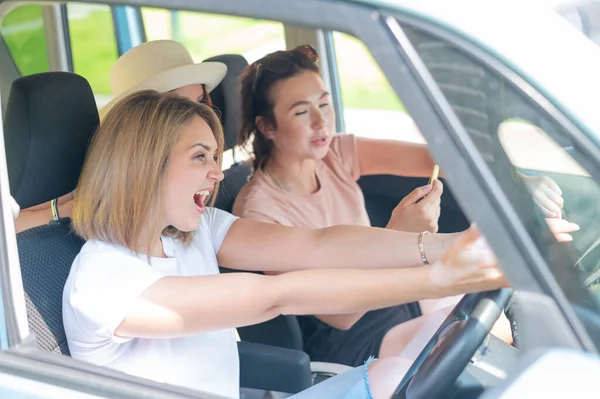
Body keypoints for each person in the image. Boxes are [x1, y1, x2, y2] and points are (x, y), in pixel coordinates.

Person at [62, 89, 506, 399]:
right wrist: (439, 278)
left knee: (401, 371)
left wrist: (448, 245)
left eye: (216, 158)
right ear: (144, 164)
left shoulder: (194, 232)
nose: (217, 174)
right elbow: (274, 296)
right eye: (200, 157)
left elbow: (317, 246)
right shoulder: (101, 281)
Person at [232, 45, 576, 366]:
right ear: (267, 127)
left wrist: (513, 182)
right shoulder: (258, 209)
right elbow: (340, 314)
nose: (321, 122)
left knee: (496, 312)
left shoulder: (335, 154)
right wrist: (397, 235)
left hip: (395, 291)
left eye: (324, 104)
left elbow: (437, 156)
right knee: (473, 334)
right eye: (301, 111)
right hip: (348, 334)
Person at [13, 39, 225, 234]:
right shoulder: (100, 177)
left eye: (200, 102)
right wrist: (82, 207)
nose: (200, 117)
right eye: (181, 109)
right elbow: (13, 226)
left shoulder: (205, 198)